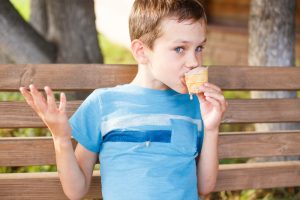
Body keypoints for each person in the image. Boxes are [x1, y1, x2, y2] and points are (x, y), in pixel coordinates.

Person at [19, 0, 227, 199]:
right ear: (141, 52)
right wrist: (61, 138)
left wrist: (211, 129)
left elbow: (205, 187)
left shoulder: (195, 106)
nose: (193, 61)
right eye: (179, 49)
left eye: (199, 48)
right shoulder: (104, 104)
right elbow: (76, 190)